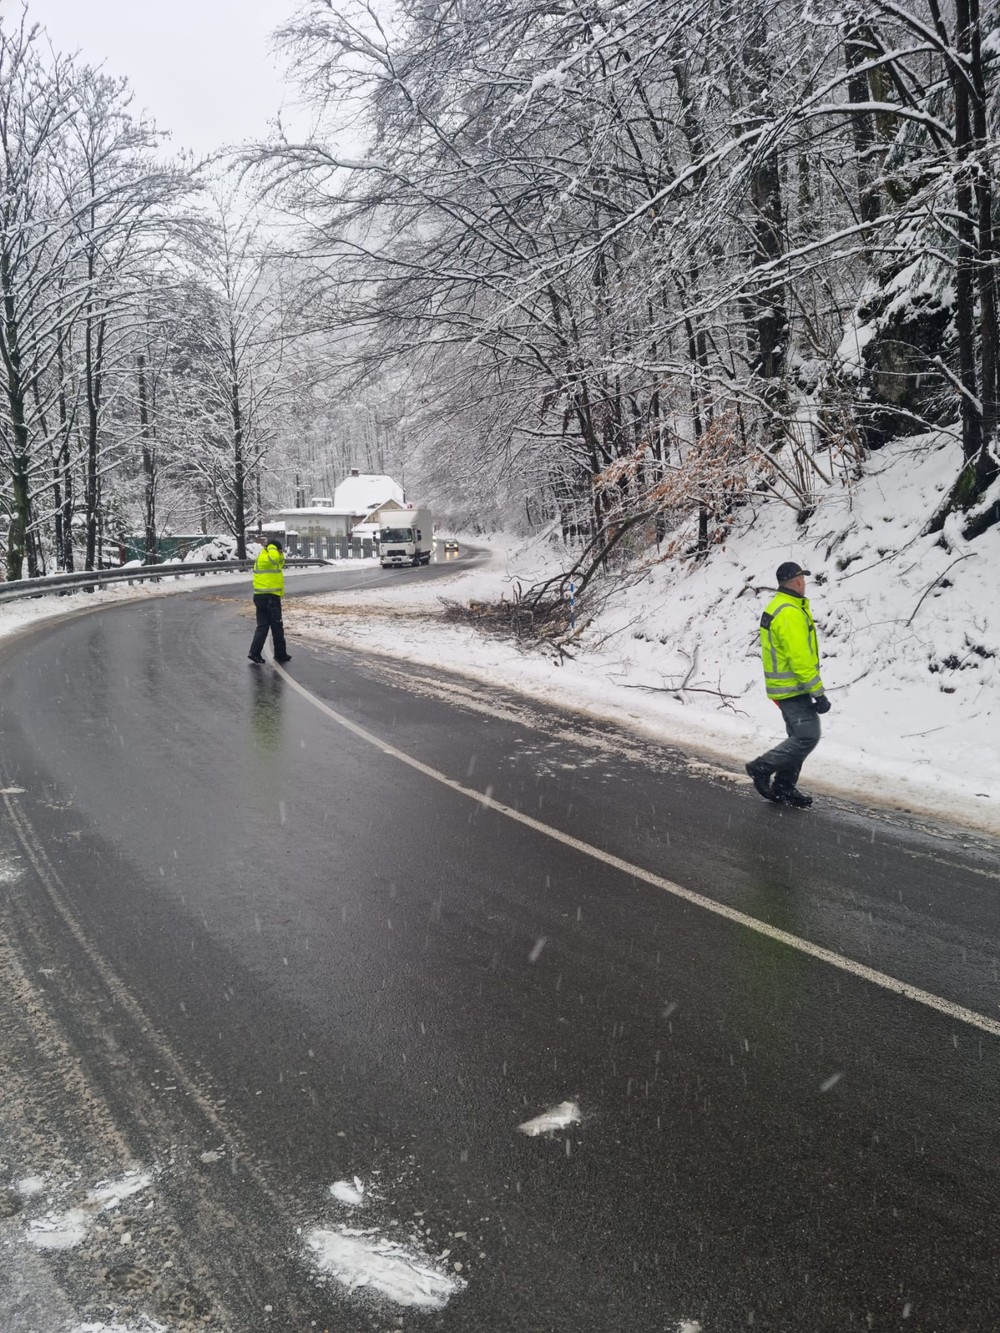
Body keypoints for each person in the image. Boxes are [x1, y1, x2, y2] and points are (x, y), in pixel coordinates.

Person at [745, 561, 830, 808]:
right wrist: (819, 694)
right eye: (803, 578)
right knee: (807, 736)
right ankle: (761, 768)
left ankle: (784, 787)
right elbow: (799, 658)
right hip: (792, 687)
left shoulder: (781, 606)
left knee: (798, 736)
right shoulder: (790, 612)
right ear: (798, 581)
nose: (804, 583)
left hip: (786, 686)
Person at [248, 537, 292, 665]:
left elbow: (279, 563)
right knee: (277, 625)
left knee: (262, 626)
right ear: (274, 549)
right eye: (280, 550)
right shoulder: (269, 557)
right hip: (270, 597)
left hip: (259, 596)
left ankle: (254, 653)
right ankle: (280, 654)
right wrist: (275, 549)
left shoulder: (261, 557)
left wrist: (278, 552)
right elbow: (275, 559)